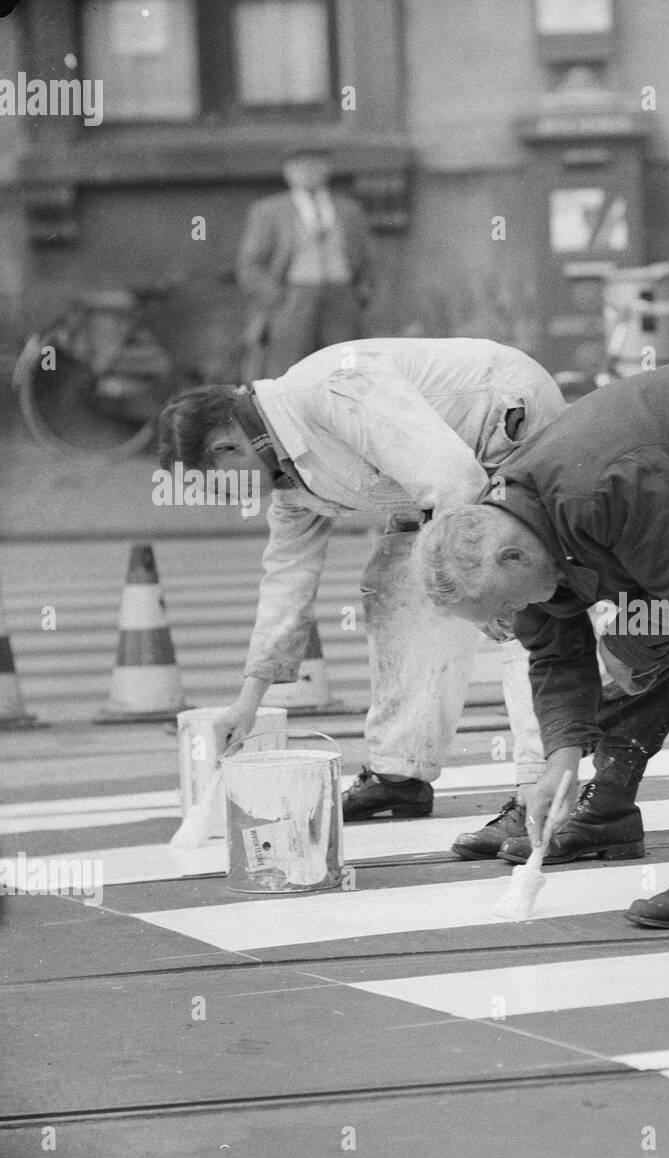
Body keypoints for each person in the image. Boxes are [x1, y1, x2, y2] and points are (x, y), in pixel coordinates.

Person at [414, 357, 669, 926]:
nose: (511, 619)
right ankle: (604, 804)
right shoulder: (514, 538)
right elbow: (556, 653)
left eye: (504, 606)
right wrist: (559, 763)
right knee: (643, 633)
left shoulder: (601, 487)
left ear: (514, 557)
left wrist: (628, 644)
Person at [157, 338, 565, 846]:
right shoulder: (289, 478)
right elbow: (286, 582)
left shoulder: (333, 389)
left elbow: (454, 480)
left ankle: (539, 793)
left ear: (226, 447)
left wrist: (475, 597)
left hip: (503, 425)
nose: (229, 501)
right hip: (438, 480)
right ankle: (400, 773)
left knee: (514, 601)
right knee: (396, 581)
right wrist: (247, 703)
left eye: (223, 486)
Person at [237, 149, 373, 379]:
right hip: (292, 299)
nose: (307, 173)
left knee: (343, 371)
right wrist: (276, 298)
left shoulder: (349, 210)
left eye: (315, 165)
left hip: (340, 298)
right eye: (299, 166)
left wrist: (361, 293)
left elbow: (367, 257)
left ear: (327, 169)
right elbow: (250, 264)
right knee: (289, 372)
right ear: (287, 172)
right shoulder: (269, 210)